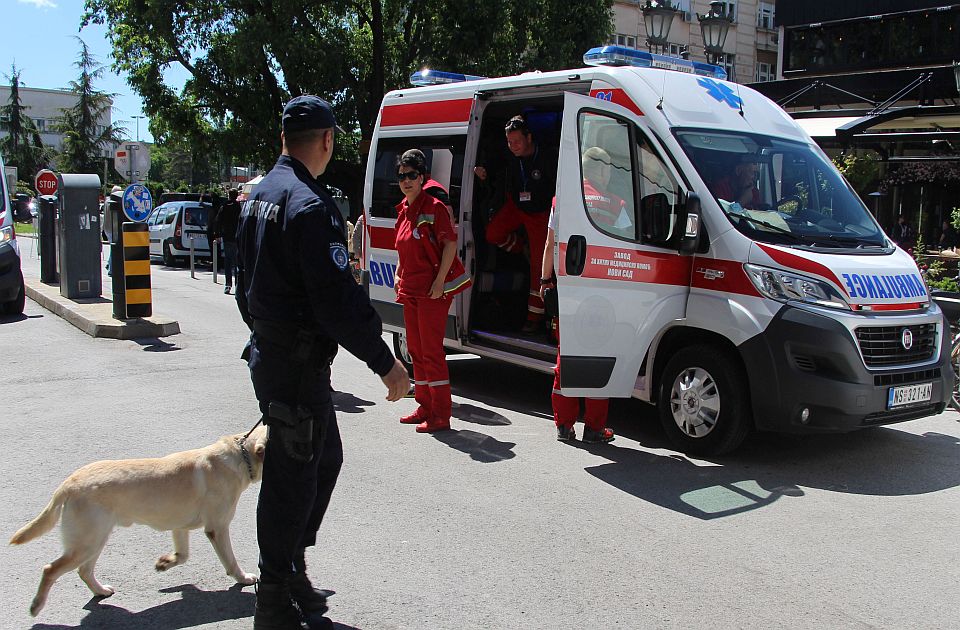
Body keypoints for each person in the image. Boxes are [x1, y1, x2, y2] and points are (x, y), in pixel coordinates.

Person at [235, 94, 409, 630]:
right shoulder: (308, 205)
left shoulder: (258, 195)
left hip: (276, 358)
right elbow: (337, 300)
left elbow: (242, 284)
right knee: (291, 479)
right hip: (294, 361)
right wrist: (386, 363)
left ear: (283, 139)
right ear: (328, 141)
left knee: (322, 461)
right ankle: (273, 596)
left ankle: (290, 566)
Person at [394, 149, 471, 433]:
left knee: (431, 352)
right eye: (402, 176)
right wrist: (398, 274)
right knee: (415, 350)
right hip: (411, 290)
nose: (406, 180)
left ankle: (441, 413)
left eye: (411, 175)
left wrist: (439, 282)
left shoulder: (433, 207)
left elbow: (450, 243)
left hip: (432, 292)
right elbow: (403, 248)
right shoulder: (403, 209)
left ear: (422, 177)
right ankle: (425, 405)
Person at [540, 198, 614, 444]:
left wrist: (545, 280)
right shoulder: (616, 202)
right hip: (601, 291)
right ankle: (594, 429)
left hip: (568, 288)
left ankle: (564, 426)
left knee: (566, 355)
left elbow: (550, 243)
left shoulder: (561, 201)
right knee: (598, 357)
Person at [475, 115, 557, 333]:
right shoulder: (509, 155)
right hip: (516, 205)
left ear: (529, 138)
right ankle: (523, 247)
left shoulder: (548, 157)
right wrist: (484, 170)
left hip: (540, 213)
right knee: (493, 233)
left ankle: (534, 317)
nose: (513, 146)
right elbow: (495, 163)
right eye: (509, 142)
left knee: (539, 269)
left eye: (517, 141)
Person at [581, 147, 632, 236]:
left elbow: (550, 244)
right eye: (609, 170)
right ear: (602, 171)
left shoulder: (563, 200)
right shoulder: (617, 205)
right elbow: (625, 241)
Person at [218, 188, 241, 294]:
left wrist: (217, 234)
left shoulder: (225, 206)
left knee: (228, 261)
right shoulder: (239, 207)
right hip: (237, 237)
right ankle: (238, 285)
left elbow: (218, 220)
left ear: (229, 195)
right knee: (237, 263)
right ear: (237, 196)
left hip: (227, 237)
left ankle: (228, 285)